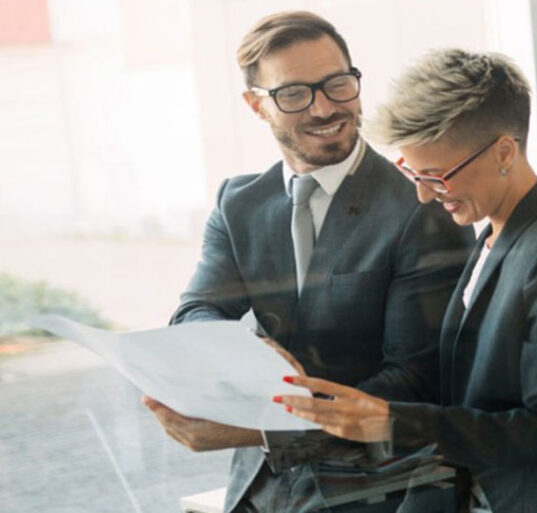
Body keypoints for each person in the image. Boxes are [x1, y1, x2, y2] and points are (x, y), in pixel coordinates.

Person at [276, 49, 537, 513]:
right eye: (411, 172)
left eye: (436, 175)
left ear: (504, 152)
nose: (422, 193)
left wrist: (392, 422)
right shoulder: (497, 237)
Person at [143, 11, 473, 513]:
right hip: (255, 496)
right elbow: (194, 312)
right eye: (294, 93)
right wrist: (250, 352)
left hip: (376, 491)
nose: (325, 108)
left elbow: (416, 380)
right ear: (256, 105)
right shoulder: (239, 202)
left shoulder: (422, 208)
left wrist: (264, 428)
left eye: (338, 84)